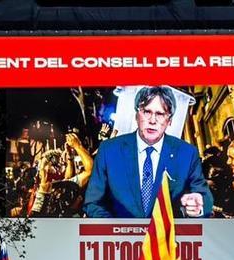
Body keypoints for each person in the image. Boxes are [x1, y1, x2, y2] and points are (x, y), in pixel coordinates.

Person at [84, 86, 213, 219]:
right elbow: (93, 202)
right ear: (137, 115)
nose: (152, 120)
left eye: (160, 114)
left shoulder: (187, 153)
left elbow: (203, 199)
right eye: (146, 112)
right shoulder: (109, 151)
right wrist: (120, 230)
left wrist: (196, 208)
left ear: (169, 121)